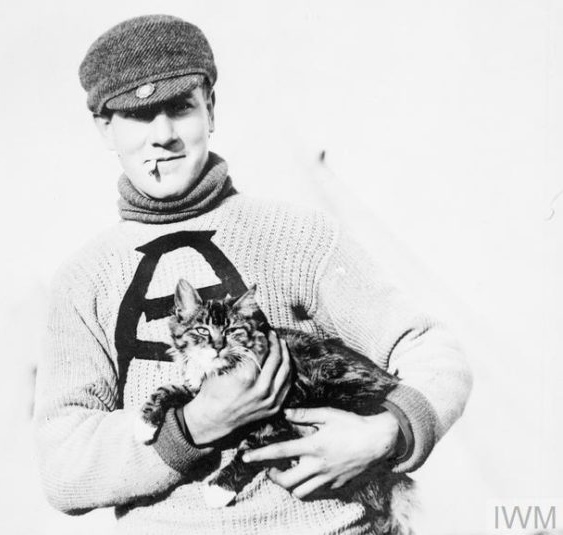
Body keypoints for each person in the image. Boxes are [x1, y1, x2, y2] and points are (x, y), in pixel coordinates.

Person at [33, 14, 472, 535]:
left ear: (211, 109)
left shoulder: (299, 234)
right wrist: (192, 427)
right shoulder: (82, 280)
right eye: (138, 115)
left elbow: (432, 350)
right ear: (106, 129)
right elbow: (63, 468)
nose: (165, 136)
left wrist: (385, 432)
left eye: (181, 108)